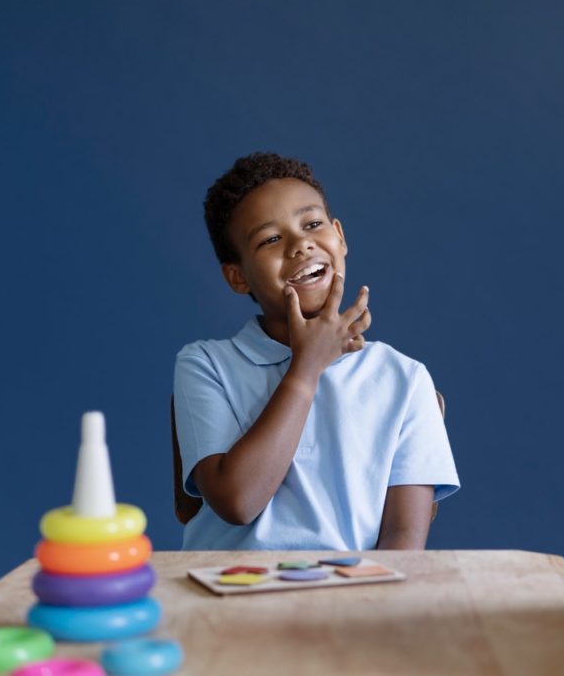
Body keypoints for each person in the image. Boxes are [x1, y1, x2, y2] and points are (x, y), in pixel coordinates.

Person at [173, 152, 459, 552]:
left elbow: (403, 539)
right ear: (237, 276)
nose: (300, 244)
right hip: (229, 600)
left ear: (339, 237)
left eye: (312, 224)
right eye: (271, 239)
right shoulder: (205, 364)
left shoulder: (405, 379)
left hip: (349, 602)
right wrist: (306, 369)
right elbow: (238, 502)